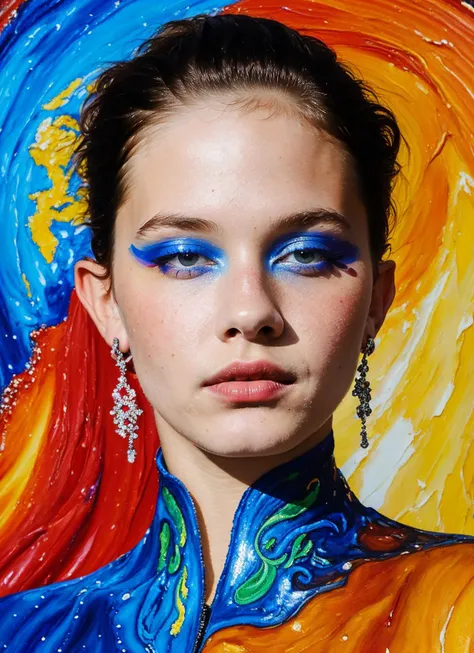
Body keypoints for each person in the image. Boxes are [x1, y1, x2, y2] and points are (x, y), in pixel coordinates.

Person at [1, 12, 473, 652]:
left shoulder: (455, 609)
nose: (251, 311)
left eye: (305, 253)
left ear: (375, 300)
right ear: (105, 303)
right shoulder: (22, 635)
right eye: (185, 257)